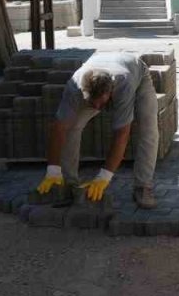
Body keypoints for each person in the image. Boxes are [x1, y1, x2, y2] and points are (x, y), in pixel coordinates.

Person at [34, 52, 159, 209]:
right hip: (100, 71)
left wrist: (104, 177)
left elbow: (122, 133)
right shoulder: (74, 87)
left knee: (148, 129)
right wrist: (53, 169)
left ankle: (143, 186)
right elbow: (59, 127)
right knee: (73, 126)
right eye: (93, 103)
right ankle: (68, 184)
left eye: (101, 103)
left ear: (110, 91)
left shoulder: (124, 84)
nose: (98, 109)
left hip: (137, 73)